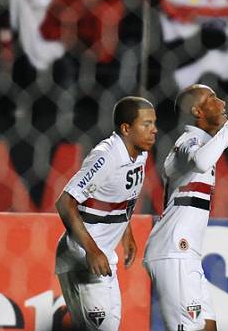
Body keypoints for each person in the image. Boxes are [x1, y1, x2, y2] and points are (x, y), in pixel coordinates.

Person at [143, 85, 228, 331]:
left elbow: (203, 155)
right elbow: (201, 161)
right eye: (212, 98)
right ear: (196, 110)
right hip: (174, 252)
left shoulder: (199, 143)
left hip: (186, 255)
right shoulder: (188, 141)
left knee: (207, 327)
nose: (222, 103)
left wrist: (226, 139)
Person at [54, 96, 157, 331]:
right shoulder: (107, 156)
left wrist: (126, 232)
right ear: (126, 128)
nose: (154, 130)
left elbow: (120, 196)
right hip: (83, 258)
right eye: (147, 124)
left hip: (105, 256)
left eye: (154, 123)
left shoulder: (140, 153)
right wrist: (92, 251)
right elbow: (65, 202)